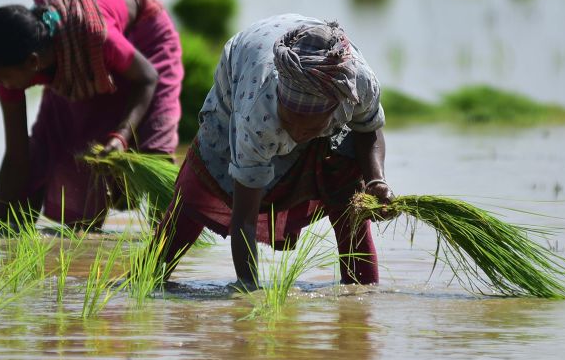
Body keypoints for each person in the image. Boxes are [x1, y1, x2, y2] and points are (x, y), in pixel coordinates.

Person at [153, 14, 392, 287]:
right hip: (243, 71)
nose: (298, 133)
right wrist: (249, 289)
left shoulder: (359, 85)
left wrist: (377, 181)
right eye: (289, 120)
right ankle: (146, 276)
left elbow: (368, 129)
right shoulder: (257, 111)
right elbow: (244, 221)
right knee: (202, 185)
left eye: (309, 127)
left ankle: (362, 293)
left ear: (334, 110)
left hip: (316, 75)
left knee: (349, 192)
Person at [0, 0, 183, 232]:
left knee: (154, 148)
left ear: (33, 63)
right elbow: (17, 156)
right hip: (80, 53)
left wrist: (121, 135)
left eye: (1, 76)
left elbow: (148, 78)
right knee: (57, 146)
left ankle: (169, 243)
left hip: (145, 38)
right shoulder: (24, 63)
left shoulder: (96, 36)